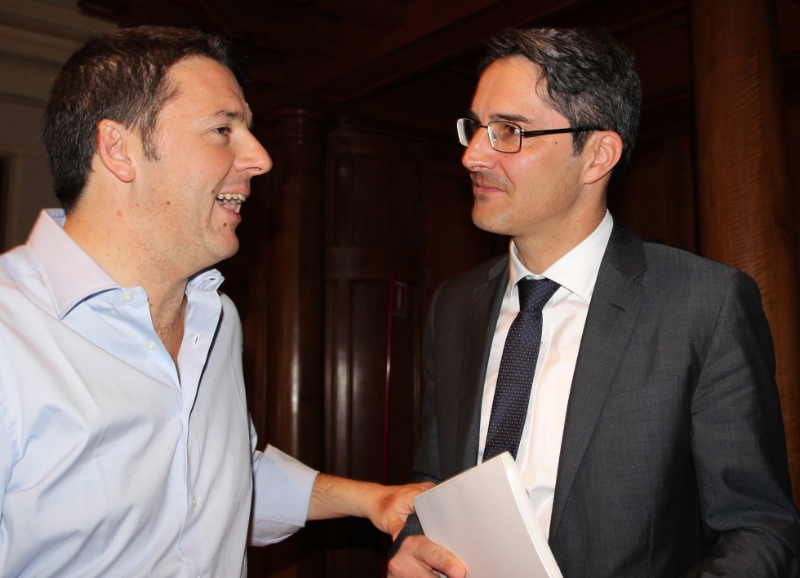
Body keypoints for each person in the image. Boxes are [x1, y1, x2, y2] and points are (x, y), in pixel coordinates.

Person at [0, 26, 429, 577]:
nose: (261, 158)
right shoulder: (11, 334)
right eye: (223, 129)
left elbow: (215, 479)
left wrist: (372, 499)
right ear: (119, 150)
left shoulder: (216, 316)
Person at [388, 27, 800, 577]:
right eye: (476, 128)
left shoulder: (704, 304)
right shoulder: (454, 305)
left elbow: (759, 530)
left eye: (509, 131)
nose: (472, 155)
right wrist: (414, 546)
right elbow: (436, 483)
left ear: (597, 156)